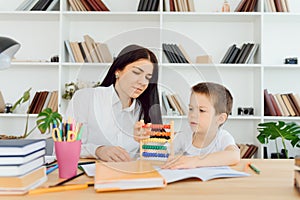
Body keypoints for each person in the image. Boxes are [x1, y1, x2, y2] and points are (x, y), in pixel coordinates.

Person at [65, 44, 162, 161]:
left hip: (131, 175)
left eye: (148, 77)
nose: (143, 82)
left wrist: (146, 144)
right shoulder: (85, 98)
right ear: (118, 71)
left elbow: (157, 156)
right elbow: (65, 147)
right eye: (136, 72)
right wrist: (98, 150)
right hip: (90, 175)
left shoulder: (144, 111)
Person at [163, 82, 240, 169]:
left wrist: (195, 161)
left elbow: (234, 155)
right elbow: (162, 151)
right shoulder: (184, 136)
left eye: (201, 110)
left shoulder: (222, 137)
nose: (193, 115)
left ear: (220, 119)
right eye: (191, 109)